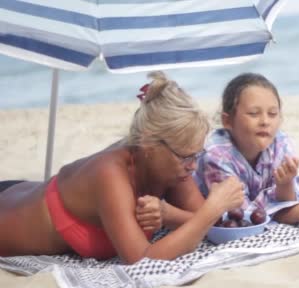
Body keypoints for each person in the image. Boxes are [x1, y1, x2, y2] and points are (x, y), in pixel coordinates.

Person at [0, 71, 244, 264]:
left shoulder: (174, 165)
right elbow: (142, 260)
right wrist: (213, 208)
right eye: (185, 157)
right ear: (149, 143)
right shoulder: (110, 173)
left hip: (22, 190)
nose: (192, 166)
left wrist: (169, 214)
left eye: (197, 155)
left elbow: (206, 225)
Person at [194, 73, 299, 226]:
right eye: (254, 114)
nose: (265, 121)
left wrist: (285, 184)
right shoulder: (216, 156)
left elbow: (287, 201)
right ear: (227, 120)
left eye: (272, 114)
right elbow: (242, 217)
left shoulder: (280, 144)